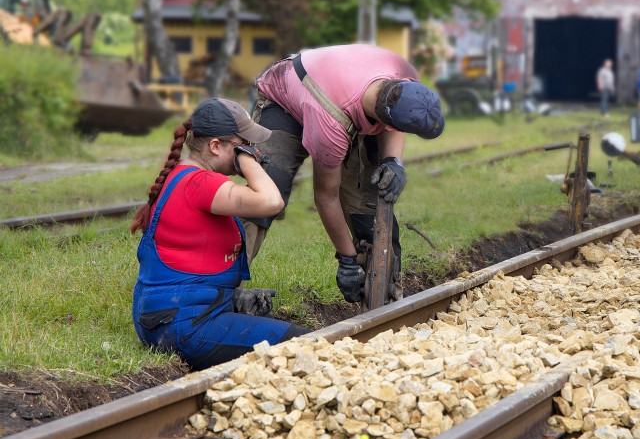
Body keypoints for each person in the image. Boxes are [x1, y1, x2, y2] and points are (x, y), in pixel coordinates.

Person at [244, 44, 445, 305]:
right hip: (286, 98)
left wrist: (393, 162)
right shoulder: (331, 123)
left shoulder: (403, 73)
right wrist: (347, 260)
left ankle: (384, 299)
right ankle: (220, 291)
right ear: (386, 123)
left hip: (342, 95)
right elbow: (326, 197)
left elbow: (396, 115)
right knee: (266, 195)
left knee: (370, 203)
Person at [130, 98, 309, 370]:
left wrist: (232, 300)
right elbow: (272, 201)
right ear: (215, 146)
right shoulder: (201, 182)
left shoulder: (183, 175)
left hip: (166, 319)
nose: (252, 150)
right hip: (184, 326)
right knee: (308, 344)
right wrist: (247, 161)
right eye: (243, 145)